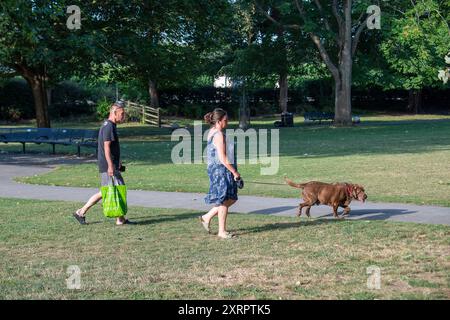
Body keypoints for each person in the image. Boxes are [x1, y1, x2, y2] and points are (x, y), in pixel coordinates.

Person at [73, 101, 133, 225]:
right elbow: (106, 147)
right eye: (122, 114)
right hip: (108, 166)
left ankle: (119, 219)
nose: (124, 117)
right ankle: (81, 212)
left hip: (111, 164)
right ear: (114, 113)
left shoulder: (111, 125)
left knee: (111, 190)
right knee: (115, 189)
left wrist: (118, 161)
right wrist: (111, 166)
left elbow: (113, 148)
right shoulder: (109, 126)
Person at [199, 108, 240, 239]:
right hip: (221, 170)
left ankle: (207, 217)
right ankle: (222, 231)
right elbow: (222, 158)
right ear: (218, 121)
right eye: (225, 120)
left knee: (231, 198)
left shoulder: (212, 132)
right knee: (224, 200)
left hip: (218, 168)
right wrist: (234, 171)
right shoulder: (218, 135)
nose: (227, 122)